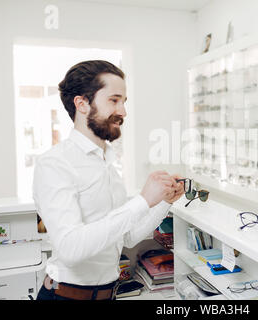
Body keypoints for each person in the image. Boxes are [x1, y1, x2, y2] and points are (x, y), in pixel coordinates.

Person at [33, 60, 184, 300]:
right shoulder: (55, 164)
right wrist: (143, 200)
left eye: (124, 102)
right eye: (114, 100)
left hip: (107, 295)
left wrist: (164, 201)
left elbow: (128, 237)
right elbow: (71, 249)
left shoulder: (107, 164)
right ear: (82, 104)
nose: (123, 111)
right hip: (65, 296)